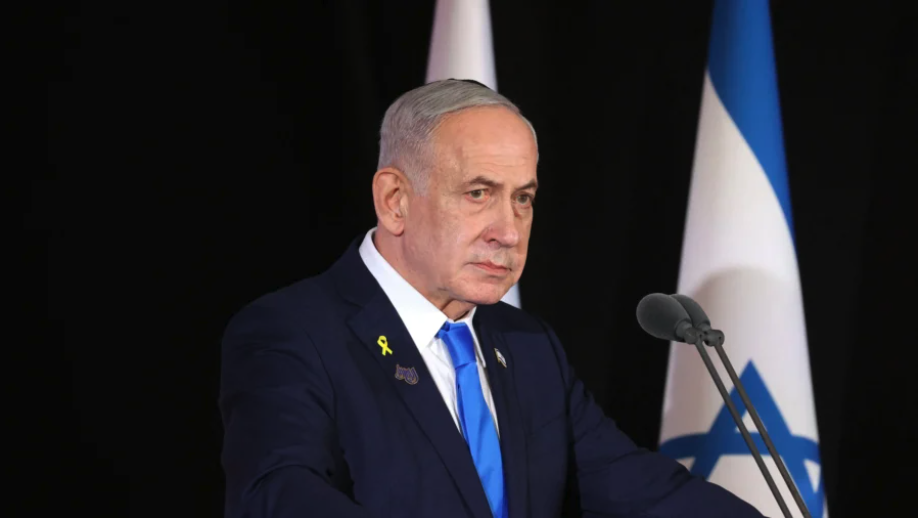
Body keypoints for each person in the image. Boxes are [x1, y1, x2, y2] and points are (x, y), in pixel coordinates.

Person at [219, 79, 763, 518]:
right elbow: (278, 498)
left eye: (523, 199)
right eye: (478, 193)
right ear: (394, 201)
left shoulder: (527, 345)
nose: (508, 230)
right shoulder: (293, 333)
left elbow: (640, 489)